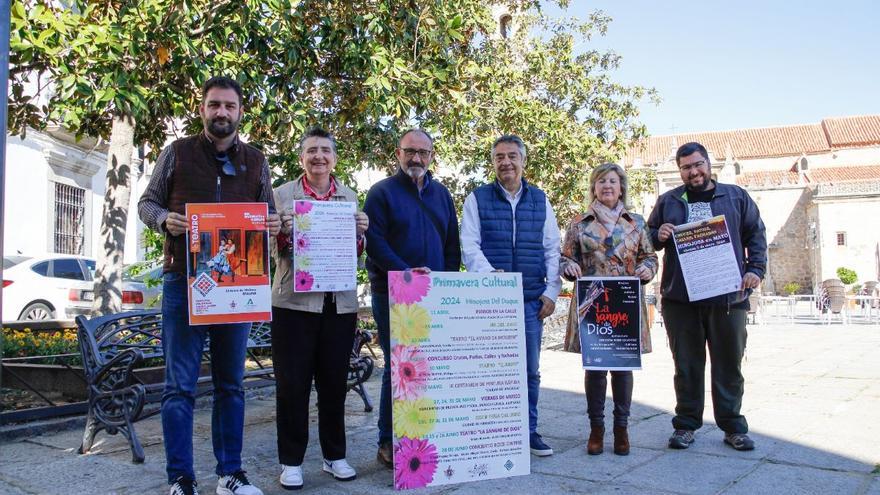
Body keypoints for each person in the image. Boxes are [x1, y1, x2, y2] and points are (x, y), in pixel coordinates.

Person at [138, 76, 280, 495]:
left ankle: (230, 474)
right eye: (214, 105)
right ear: (202, 109)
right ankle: (181, 479)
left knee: (231, 385)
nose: (222, 112)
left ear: (240, 113)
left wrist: (273, 223)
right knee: (179, 386)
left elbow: (268, 215)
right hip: (185, 284)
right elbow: (147, 203)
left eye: (229, 106)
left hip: (237, 287)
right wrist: (165, 220)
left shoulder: (257, 161)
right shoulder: (177, 153)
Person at [647, 142, 766, 452]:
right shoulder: (668, 200)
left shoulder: (736, 196)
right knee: (686, 365)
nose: (693, 171)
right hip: (680, 300)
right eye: (686, 167)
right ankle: (686, 425)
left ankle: (733, 427)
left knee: (729, 364)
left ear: (709, 164)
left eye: (698, 164)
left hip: (729, 297)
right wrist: (657, 235)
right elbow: (646, 238)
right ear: (680, 171)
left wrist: (756, 269)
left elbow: (756, 234)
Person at [270, 127, 369, 490]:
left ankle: (334, 456)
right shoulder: (281, 195)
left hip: (338, 306)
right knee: (292, 385)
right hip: (294, 305)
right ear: (301, 158)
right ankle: (291, 461)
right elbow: (270, 252)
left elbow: (352, 255)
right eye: (311, 150)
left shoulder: (348, 197)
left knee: (333, 384)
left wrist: (361, 233)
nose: (319, 157)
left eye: (325, 151)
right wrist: (280, 232)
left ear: (335, 158)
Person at [363, 129, 461, 468]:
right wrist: (408, 277)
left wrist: (445, 288)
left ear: (432, 155)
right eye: (410, 151)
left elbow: (452, 246)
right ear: (398, 153)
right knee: (399, 368)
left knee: (429, 368)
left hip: (433, 298)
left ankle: (427, 435)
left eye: (423, 152)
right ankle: (389, 441)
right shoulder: (381, 193)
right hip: (392, 294)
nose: (416, 158)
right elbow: (374, 244)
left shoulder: (443, 195)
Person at [460, 134, 561, 457]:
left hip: (531, 301)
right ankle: (490, 434)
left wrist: (551, 292)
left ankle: (529, 431)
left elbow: (552, 249)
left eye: (512, 156)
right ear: (493, 162)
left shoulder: (540, 200)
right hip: (490, 302)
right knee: (489, 370)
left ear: (523, 161)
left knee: (529, 370)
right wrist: (490, 278)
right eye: (500, 157)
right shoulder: (477, 199)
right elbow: (469, 245)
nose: (506, 162)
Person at [558, 162, 658, 456]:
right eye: (601, 182)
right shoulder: (579, 223)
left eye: (612, 181)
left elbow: (650, 257)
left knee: (623, 368)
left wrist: (646, 269)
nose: (607, 187)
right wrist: (570, 266)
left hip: (624, 302)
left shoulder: (637, 222)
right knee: (596, 369)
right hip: (594, 305)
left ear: (621, 186)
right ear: (594, 188)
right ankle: (597, 429)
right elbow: (564, 258)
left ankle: (622, 429)